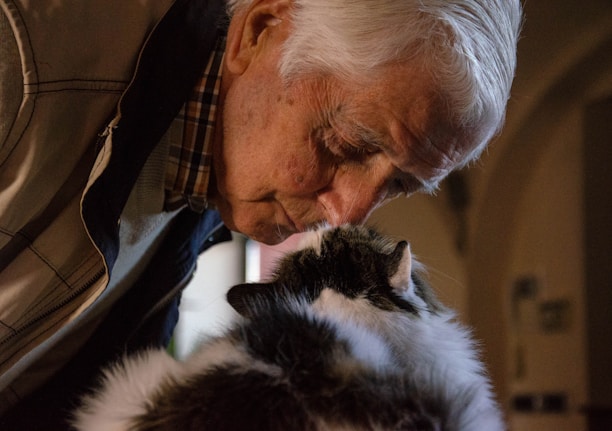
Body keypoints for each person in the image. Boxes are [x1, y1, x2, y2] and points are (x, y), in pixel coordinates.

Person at [0, 0, 522, 428]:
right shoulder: (22, 55)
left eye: (401, 184)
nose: (347, 214)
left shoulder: (210, 180)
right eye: (344, 144)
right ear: (259, 32)